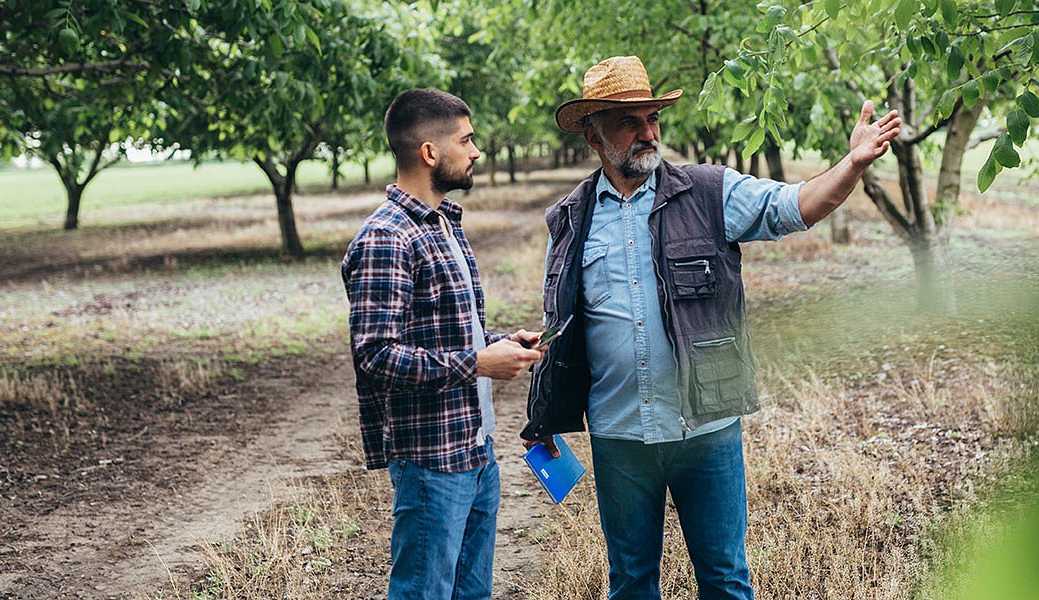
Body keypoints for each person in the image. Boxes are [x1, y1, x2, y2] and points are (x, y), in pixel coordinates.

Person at [522, 56, 901, 598]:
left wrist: (854, 162)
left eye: (652, 119)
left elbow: (795, 206)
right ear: (593, 134)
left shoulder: (708, 191)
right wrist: (544, 413)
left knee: (724, 578)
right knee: (630, 580)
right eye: (630, 122)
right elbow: (559, 324)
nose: (648, 132)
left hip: (705, 430)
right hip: (619, 435)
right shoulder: (570, 218)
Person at [342, 88, 543, 600]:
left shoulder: (443, 226)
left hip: (476, 447)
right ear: (430, 153)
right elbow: (376, 357)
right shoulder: (387, 238)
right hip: (431, 458)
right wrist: (478, 362)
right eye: (466, 140)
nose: (476, 152)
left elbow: (447, 332)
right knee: (422, 592)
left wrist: (502, 343)